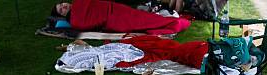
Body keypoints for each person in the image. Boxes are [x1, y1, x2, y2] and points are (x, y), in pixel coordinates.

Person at [50, 0, 190, 35]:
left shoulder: (78, 4)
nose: (64, 7)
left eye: (62, 4)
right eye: (61, 9)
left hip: (116, 9)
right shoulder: (75, 19)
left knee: (142, 17)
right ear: (62, 15)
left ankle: (171, 22)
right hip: (114, 20)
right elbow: (86, 23)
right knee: (142, 22)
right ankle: (174, 23)